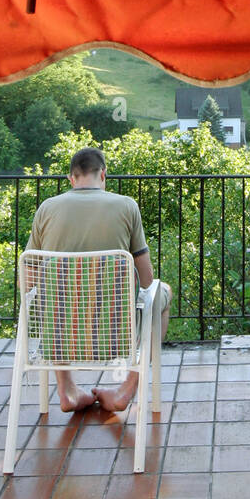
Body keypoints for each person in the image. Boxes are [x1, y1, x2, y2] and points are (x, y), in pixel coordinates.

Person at [26, 145, 171, 413]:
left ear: (71, 179)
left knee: (56, 298)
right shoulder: (126, 206)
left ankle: (67, 389)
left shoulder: (47, 209)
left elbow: (29, 282)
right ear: (103, 175)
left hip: (61, 335)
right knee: (162, 292)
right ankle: (125, 390)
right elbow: (147, 281)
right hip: (114, 333)